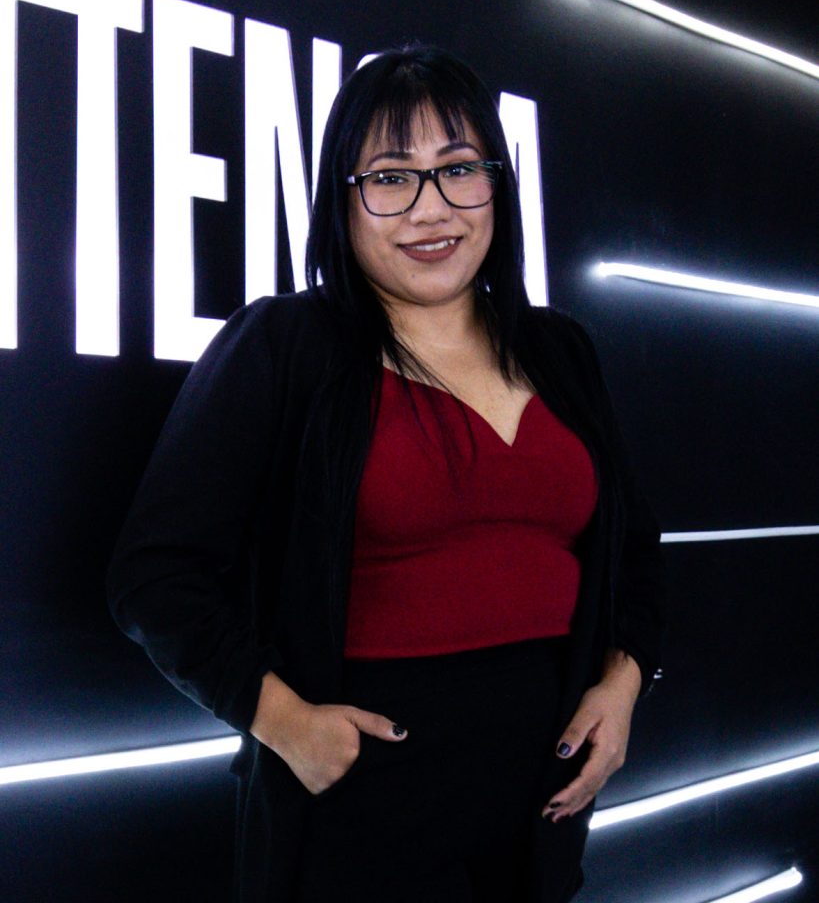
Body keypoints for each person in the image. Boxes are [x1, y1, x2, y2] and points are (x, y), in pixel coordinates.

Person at [107, 45, 664, 903]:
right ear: (342, 198)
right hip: (362, 813)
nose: (430, 209)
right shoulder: (285, 346)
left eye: (459, 170)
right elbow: (154, 575)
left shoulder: (560, 350)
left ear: (497, 184)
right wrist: (285, 725)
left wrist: (622, 687)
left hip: (539, 816)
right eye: (391, 178)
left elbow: (633, 554)